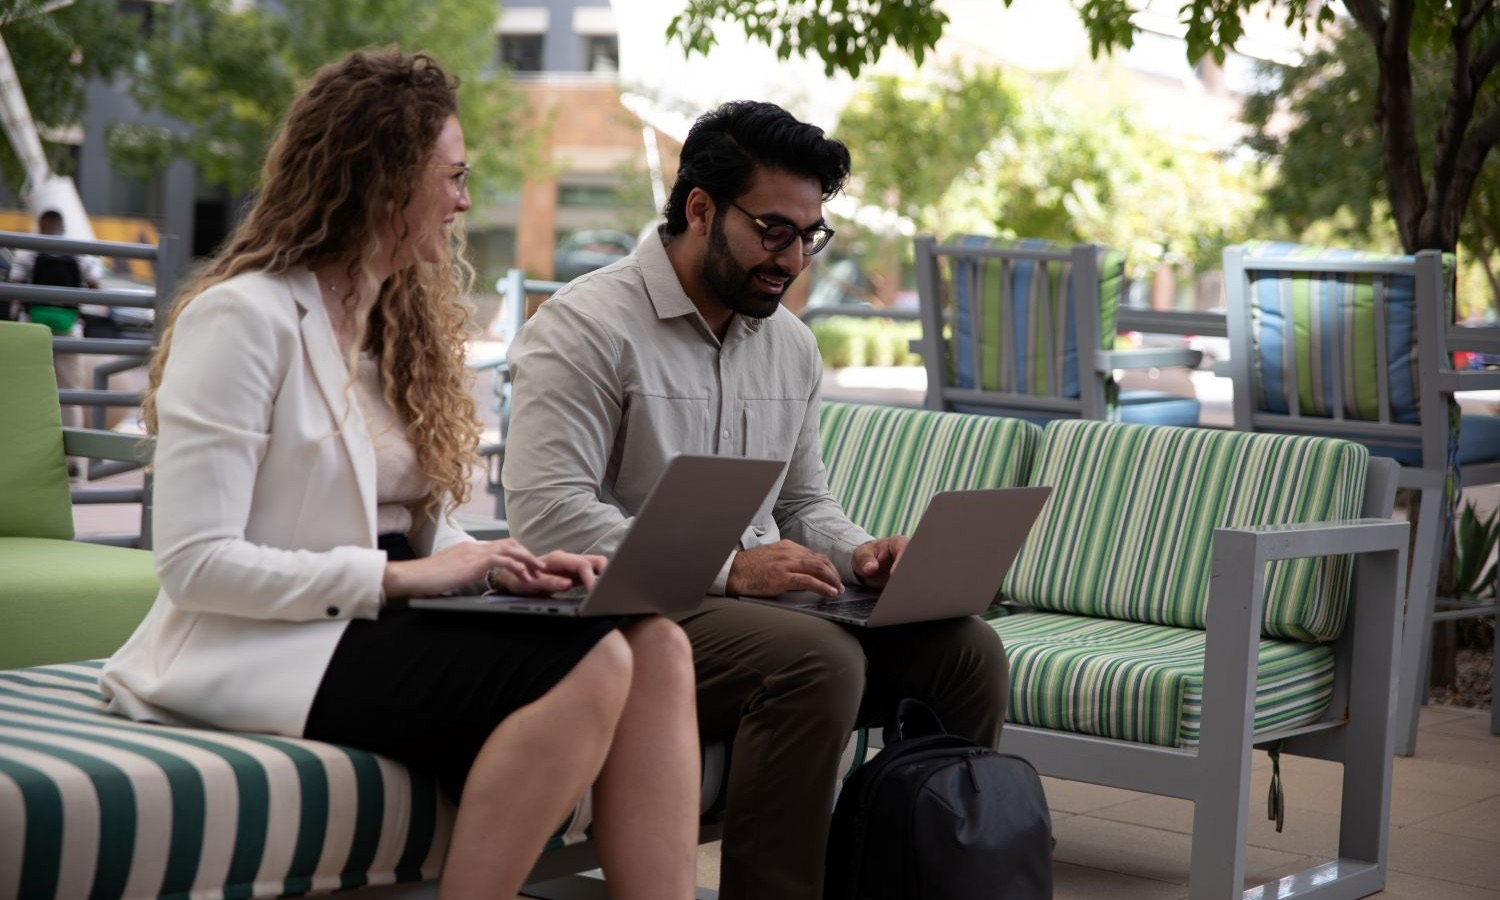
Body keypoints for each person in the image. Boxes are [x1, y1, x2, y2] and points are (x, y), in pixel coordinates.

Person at [100, 49, 700, 900]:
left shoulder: (394, 327)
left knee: (661, 646)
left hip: (383, 615)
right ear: (382, 177)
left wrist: (501, 563)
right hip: (266, 639)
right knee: (597, 663)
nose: (463, 200)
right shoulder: (243, 318)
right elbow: (194, 565)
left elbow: (406, 518)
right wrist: (412, 575)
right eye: (451, 177)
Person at [502, 100, 1010, 899]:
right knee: (815, 661)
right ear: (700, 209)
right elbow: (550, 515)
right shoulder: (586, 327)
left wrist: (860, 554)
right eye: (775, 231)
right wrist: (734, 569)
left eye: (811, 235)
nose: (795, 257)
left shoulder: (790, 346)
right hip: (619, 614)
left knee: (966, 652)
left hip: (754, 616)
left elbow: (805, 501)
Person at [10, 209, 105, 476]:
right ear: (63, 227)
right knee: (70, 392)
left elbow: (14, 285)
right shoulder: (76, 250)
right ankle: (72, 462)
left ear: (40, 226)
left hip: (33, 326)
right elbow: (96, 285)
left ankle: (27, 454)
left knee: (28, 391)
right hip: (69, 327)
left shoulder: (29, 250)